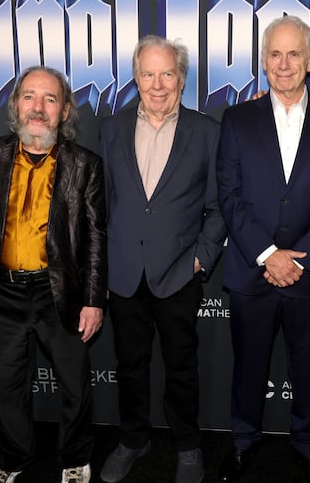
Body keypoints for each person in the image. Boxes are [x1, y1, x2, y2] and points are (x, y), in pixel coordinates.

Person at [216, 15, 310, 483]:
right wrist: (267, 255)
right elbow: (229, 195)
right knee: (247, 368)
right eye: (275, 54)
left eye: (294, 53)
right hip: (250, 271)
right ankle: (243, 439)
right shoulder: (237, 120)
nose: (284, 63)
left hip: (308, 272)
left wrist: (302, 258)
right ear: (263, 60)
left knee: (307, 366)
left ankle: (306, 441)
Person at [0, 66, 107, 483]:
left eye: (50, 99)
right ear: (16, 105)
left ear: (64, 111)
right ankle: (14, 459)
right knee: (7, 388)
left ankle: (75, 459)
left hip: (60, 293)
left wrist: (93, 299)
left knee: (74, 386)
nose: (38, 108)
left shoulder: (84, 165)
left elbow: (95, 237)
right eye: (29, 97)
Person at [98, 35, 226, 483]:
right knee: (129, 366)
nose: (157, 84)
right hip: (125, 275)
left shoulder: (208, 132)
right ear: (136, 77)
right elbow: (103, 204)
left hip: (178, 275)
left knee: (181, 367)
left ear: (182, 78)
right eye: (148, 74)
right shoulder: (110, 129)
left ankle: (188, 445)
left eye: (167, 73)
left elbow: (219, 207)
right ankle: (133, 439)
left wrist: (200, 259)